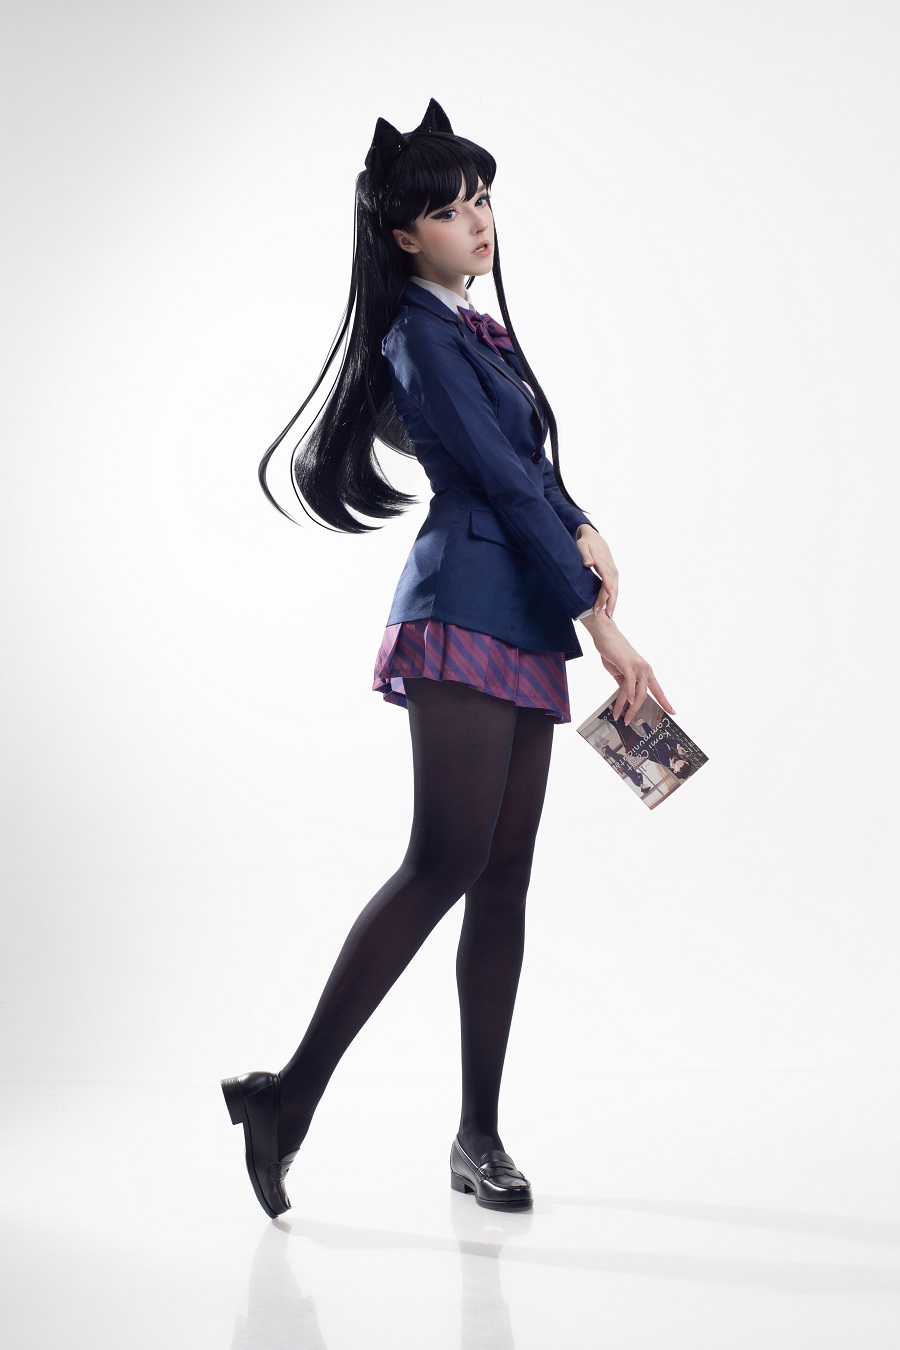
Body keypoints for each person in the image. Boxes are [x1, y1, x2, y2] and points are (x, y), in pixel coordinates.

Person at [221, 98, 675, 1219]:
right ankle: (289, 1096)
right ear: (400, 234)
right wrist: (602, 622)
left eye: (483, 200)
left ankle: (479, 1136)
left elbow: (531, 468)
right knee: (444, 863)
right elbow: (497, 484)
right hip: (465, 610)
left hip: (518, 612)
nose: (479, 222)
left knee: (504, 878)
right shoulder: (419, 335)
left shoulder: (473, 328)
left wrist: (584, 526)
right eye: (450, 209)